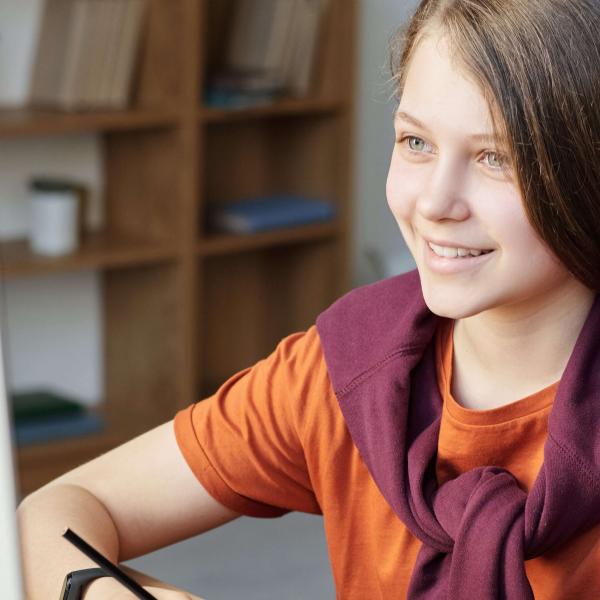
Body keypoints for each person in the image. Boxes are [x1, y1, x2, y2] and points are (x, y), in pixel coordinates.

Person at [17, 0, 600, 597]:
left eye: (494, 157)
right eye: (416, 142)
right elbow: (55, 511)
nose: (433, 202)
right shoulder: (353, 371)